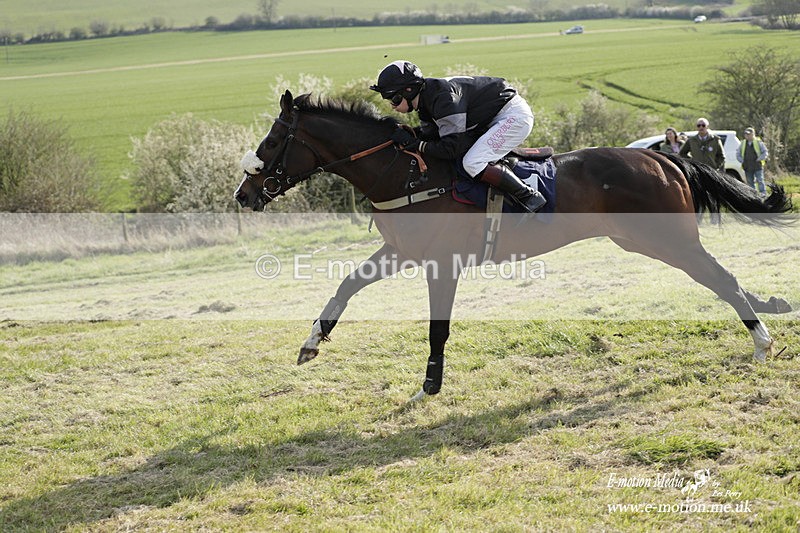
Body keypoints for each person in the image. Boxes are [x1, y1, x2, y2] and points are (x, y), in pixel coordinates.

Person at [369, 60, 546, 213]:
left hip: (513, 116)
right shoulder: (426, 101)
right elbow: (431, 136)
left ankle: (529, 196)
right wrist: (408, 135)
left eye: (394, 99)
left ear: (408, 90)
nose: (392, 106)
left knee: (472, 163)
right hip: (491, 118)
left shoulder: (444, 99)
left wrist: (415, 143)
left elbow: (451, 148)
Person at [736, 127, 769, 197]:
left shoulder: (758, 142)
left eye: (748, 134)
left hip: (757, 165)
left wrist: (759, 159)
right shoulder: (743, 143)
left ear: (753, 134)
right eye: (746, 134)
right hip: (747, 166)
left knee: (760, 181)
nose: (747, 135)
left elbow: (765, 152)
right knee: (750, 182)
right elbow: (738, 153)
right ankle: (754, 196)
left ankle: (763, 195)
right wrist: (742, 160)